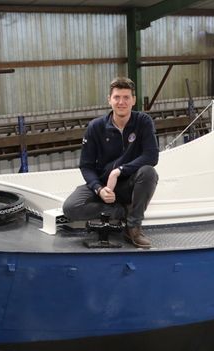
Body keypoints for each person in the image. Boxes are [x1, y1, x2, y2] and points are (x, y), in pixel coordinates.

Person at [62, 77, 159, 248]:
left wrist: (120, 170)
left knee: (148, 172)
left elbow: (151, 156)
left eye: (126, 97)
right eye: (117, 97)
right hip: (103, 184)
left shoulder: (143, 122)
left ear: (133, 100)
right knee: (71, 207)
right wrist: (99, 189)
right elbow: (86, 165)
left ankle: (133, 227)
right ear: (109, 100)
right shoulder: (95, 127)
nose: (121, 102)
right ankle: (121, 211)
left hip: (129, 184)